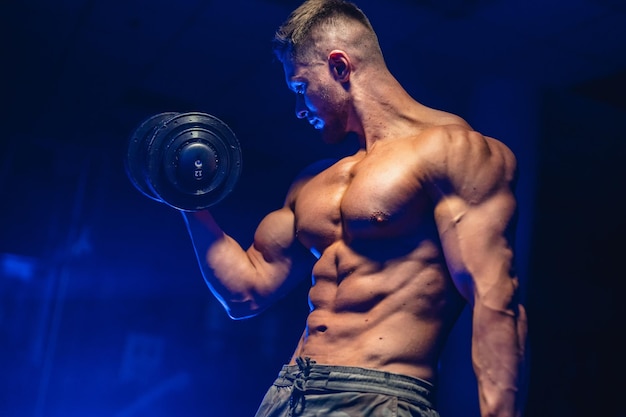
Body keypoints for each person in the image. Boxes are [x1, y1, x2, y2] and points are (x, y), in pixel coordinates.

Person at [181, 0, 527, 415]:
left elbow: (495, 301)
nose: (298, 108)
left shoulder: (454, 151)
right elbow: (245, 293)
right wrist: (187, 201)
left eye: (300, 87)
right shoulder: (313, 180)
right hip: (286, 395)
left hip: (378, 394)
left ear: (340, 67)